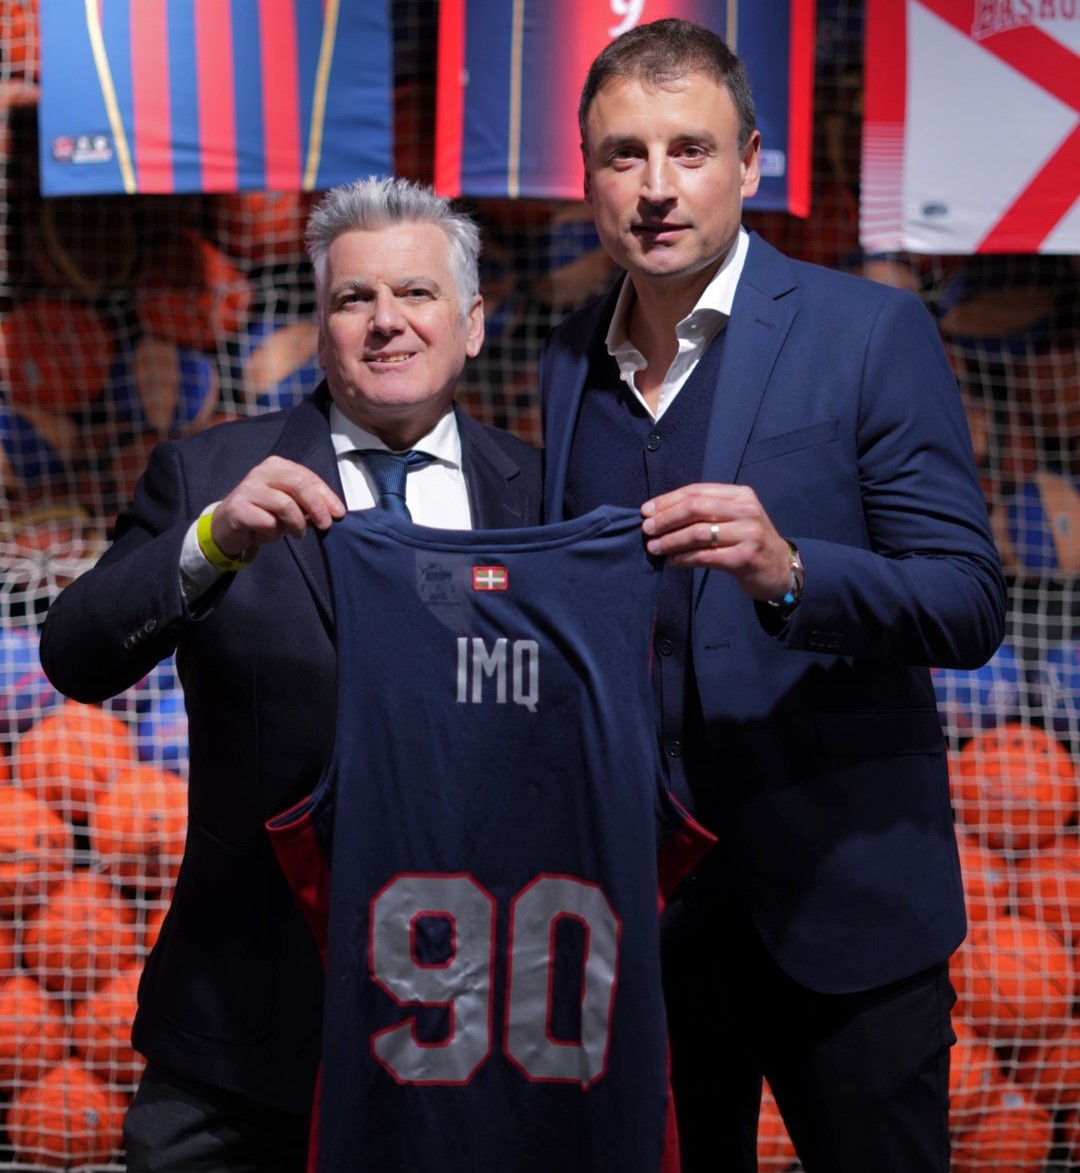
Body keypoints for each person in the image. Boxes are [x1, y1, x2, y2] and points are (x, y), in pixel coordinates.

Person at [538, 19, 1006, 1173]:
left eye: (689, 150)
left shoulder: (868, 331)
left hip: (843, 907)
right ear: (589, 175)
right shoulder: (565, 357)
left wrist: (791, 570)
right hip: (645, 920)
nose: (656, 186)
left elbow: (966, 600)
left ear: (751, 163)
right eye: (625, 154)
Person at [39, 175, 541, 1173]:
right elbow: (77, 657)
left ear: (474, 324)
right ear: (321, 329)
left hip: (473, 1029)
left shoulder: (542, 494)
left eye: (417, 293)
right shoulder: (213, 476)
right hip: (241, 1040)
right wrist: (211, 542)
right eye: (355, 298)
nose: (386, 321)